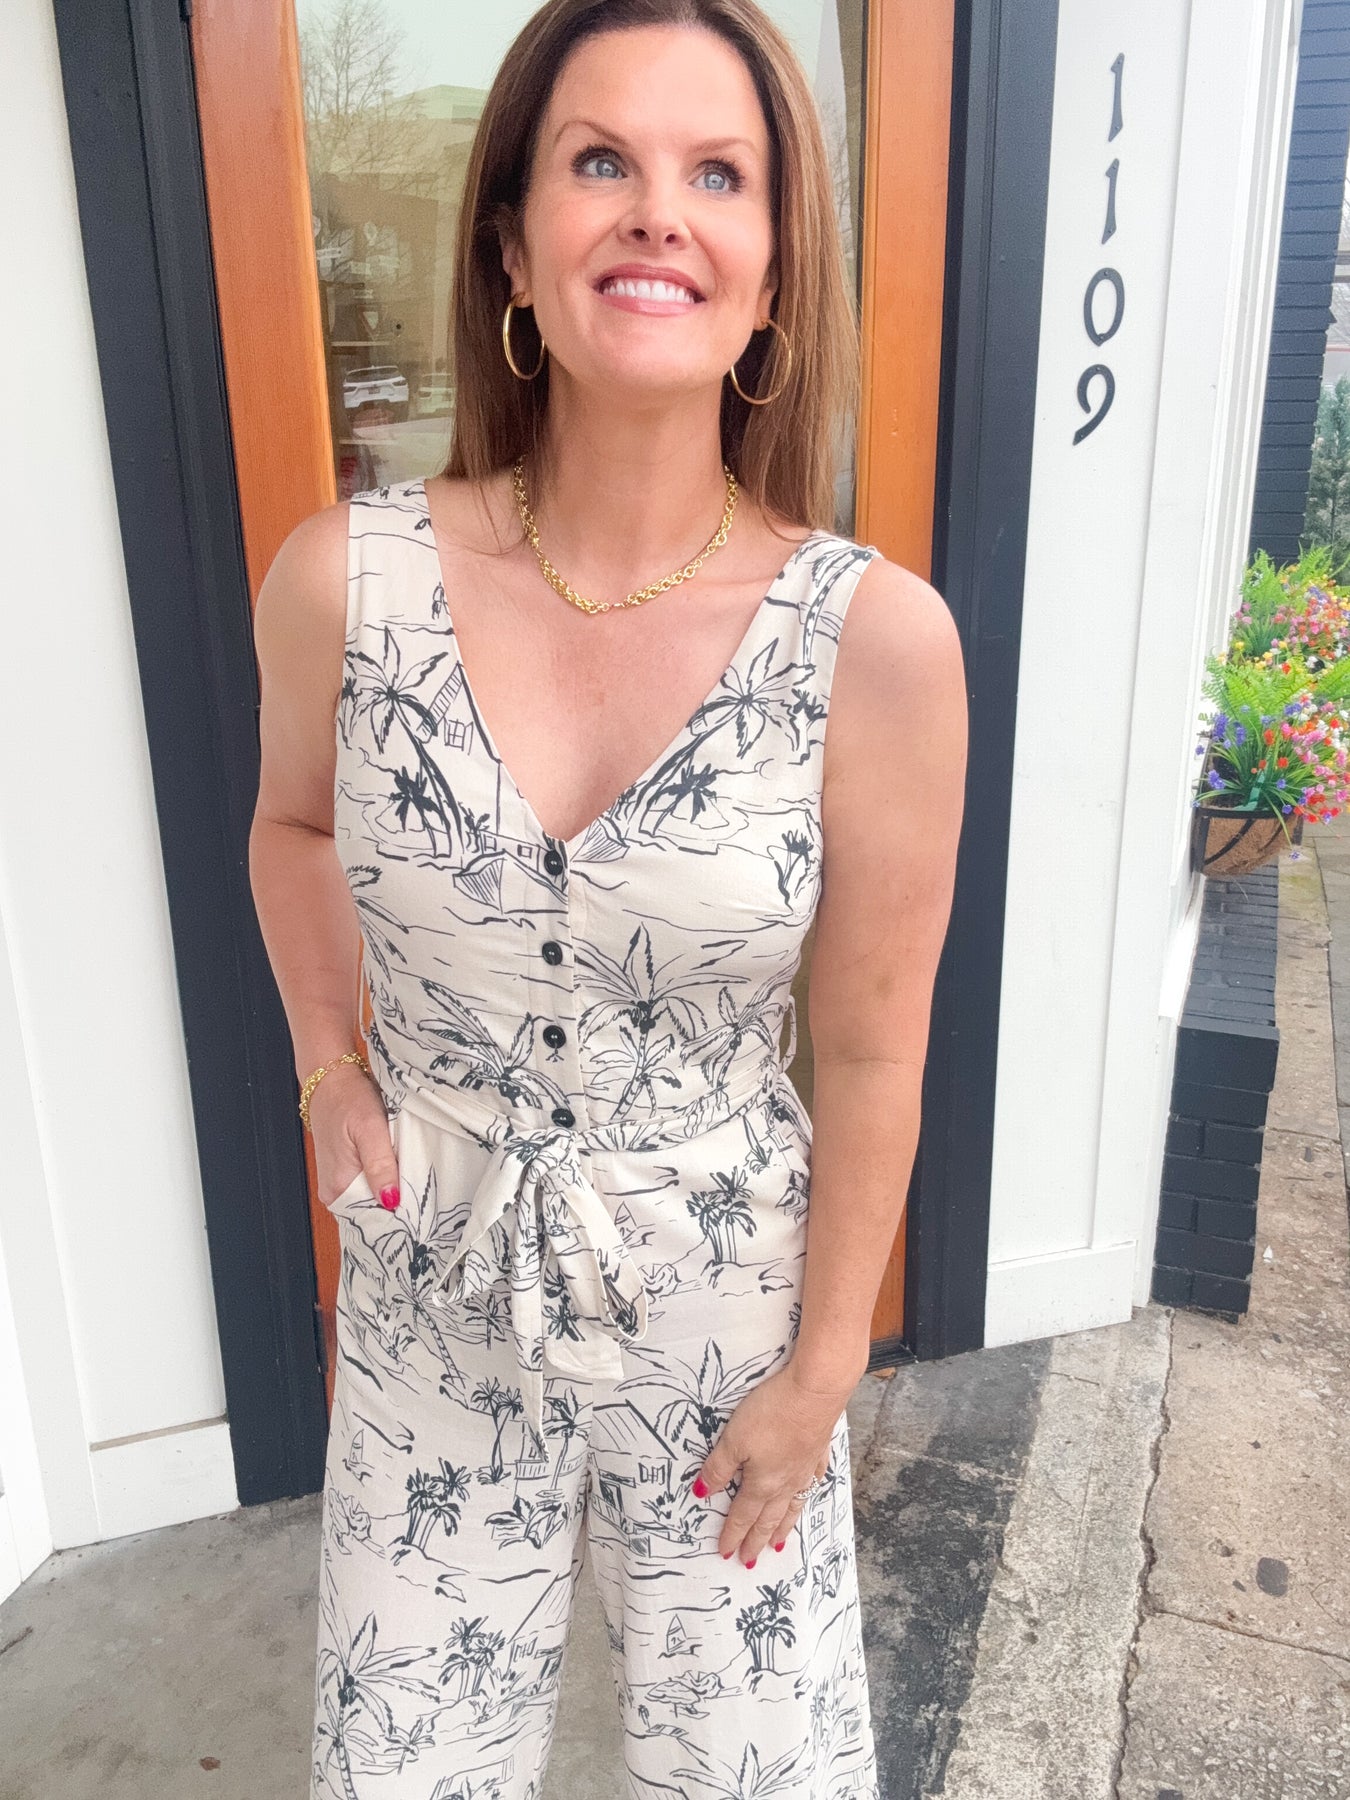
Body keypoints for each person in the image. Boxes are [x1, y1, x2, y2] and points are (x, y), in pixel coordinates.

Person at [248, 0, 966, 1794]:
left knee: (748, 1772)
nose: (658, 211)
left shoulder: (870, 643)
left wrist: (825, 1369)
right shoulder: (348, 583)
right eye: (600, 161)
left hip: (730, 1324)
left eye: (718, 174)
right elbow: (294, 829)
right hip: (430, 1295)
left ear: (774, 269)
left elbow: (872, 1047)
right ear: (510, 244)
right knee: (403, 1769)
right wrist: (330, 1067)